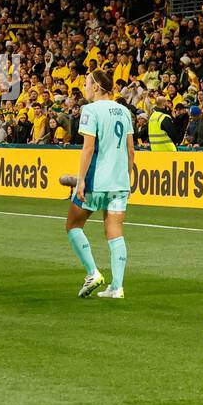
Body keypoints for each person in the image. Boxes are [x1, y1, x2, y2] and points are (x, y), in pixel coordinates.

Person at [67, 69, 135, 300]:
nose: (84, 87)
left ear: (96, 86)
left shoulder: (90, 110)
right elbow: (131, 150)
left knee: (73, 225)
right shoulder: (124, 111)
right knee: (115, 233)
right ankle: (117, 287)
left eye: (86, 83)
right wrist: (125, 177)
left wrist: (81, 180)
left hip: (97, 180)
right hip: (119, 182)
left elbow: (88, 148)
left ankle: (92, 273)